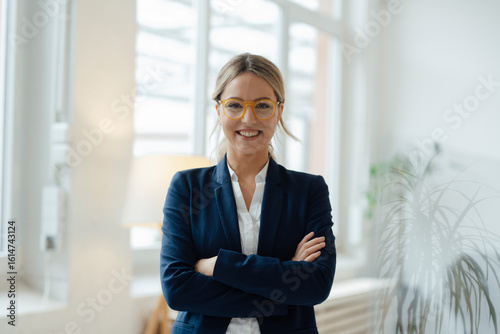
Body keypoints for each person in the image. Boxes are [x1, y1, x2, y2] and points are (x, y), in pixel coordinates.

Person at [160, 53, 336, 334]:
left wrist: (218, 265)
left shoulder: (309, 190)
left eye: (263, 105)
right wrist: (285, 279)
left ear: (279, 111)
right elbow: (178, 289)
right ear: (218, 110)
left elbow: (316, 285)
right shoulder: (187, 187)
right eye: (234, 105)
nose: (248, 118)